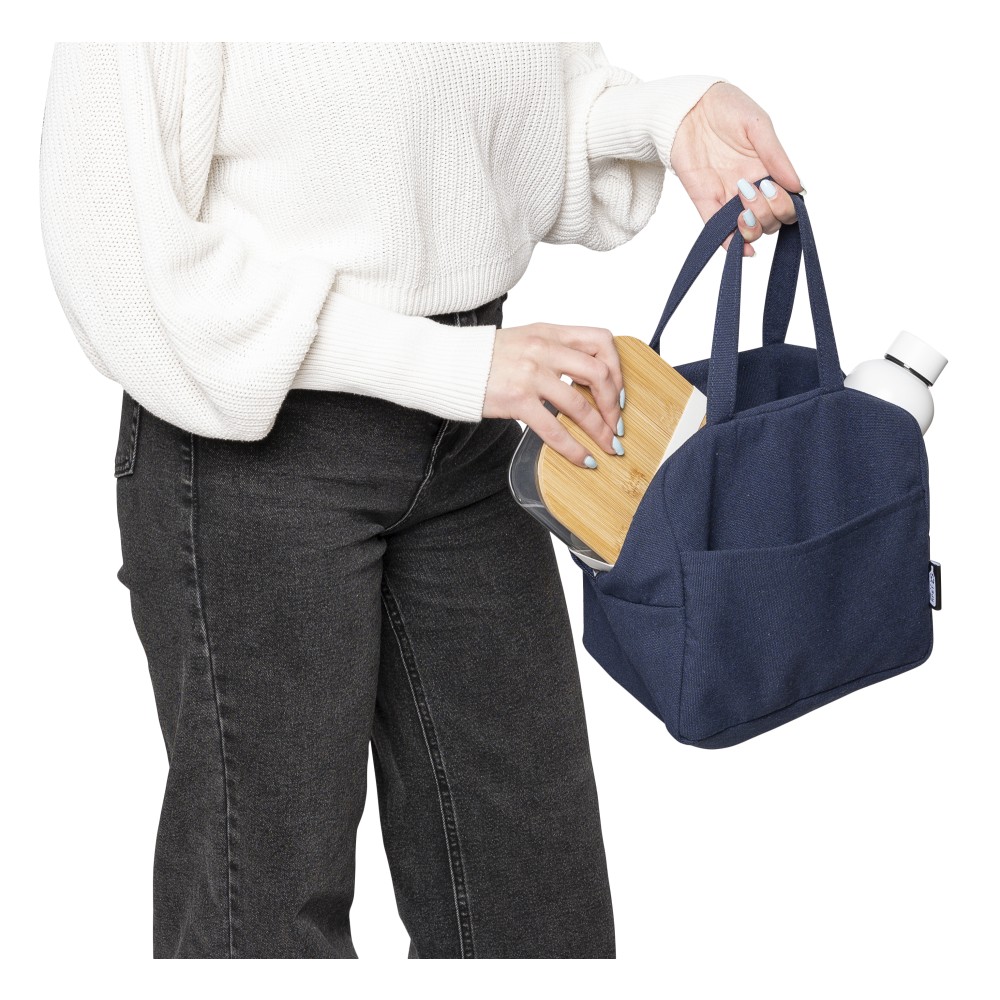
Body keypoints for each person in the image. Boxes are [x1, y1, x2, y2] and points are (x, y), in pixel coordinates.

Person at [38, 42, 802, 959]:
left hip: (476, 426)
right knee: (266, 921)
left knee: (537, 909)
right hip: (256, 439)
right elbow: (122, 259)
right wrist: (453, 368)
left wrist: (668, 116)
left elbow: (503, 113)